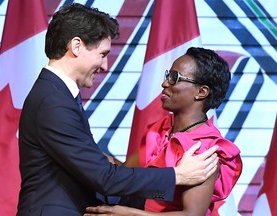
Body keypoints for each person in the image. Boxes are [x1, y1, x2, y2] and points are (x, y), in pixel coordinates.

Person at [16, 4, 219, 216]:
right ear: (76, 46)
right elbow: (104, 178)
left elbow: (93, 165)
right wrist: (178, 176)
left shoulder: (58, 95)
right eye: (103, 54)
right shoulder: (53, 101)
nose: (104, 66)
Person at [84, 47, 243, 216]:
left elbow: (191, 214)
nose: (165, 83)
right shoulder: (162, 132)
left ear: (201, 92)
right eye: (168, 75)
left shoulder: (204, 150)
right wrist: (79, 149)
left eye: (174, 78)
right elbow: (126, 171)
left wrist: (128, 214)